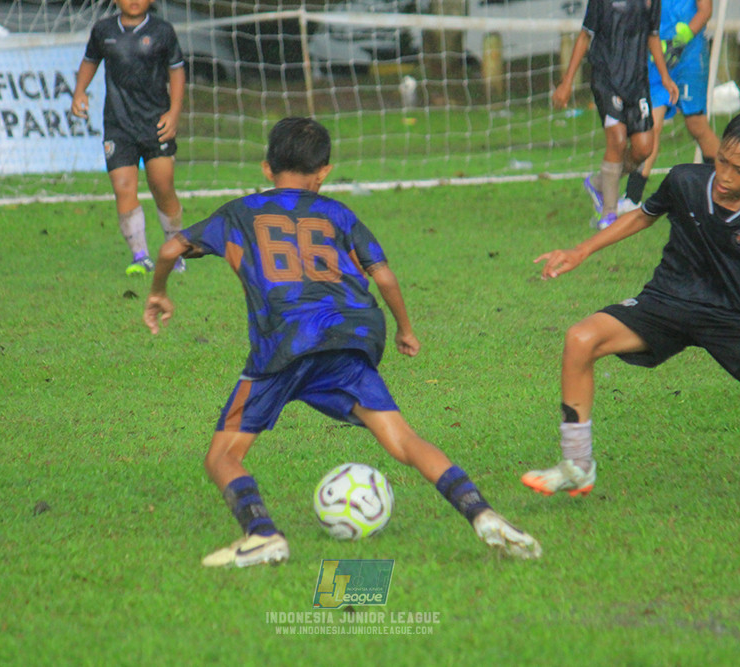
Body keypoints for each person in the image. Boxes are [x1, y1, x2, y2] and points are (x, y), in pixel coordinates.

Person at [143, 117, 542, 567]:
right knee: (403, 441)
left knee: (223, 456)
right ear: (324, 171)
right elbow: (383, 275)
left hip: (284, 345)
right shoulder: (338, 214)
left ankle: (262, 534)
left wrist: (158, 292)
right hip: (348, 335)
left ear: (266, 167)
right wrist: (406, 330)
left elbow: (170, 249)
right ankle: (480, 511)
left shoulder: (239, 213)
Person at [524, 110, 740, 497]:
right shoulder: (684, 180)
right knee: (581, 338)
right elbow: (643, 217)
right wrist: (581, 250)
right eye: (722, 162)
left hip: (733, 319)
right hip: (667, 301)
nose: (726, 177)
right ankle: (577, 465)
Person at [71, 0, 186, 276]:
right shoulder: (103, 30)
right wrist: (80, 91)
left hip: (155, 123)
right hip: (118, 125)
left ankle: (175, 249)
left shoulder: (162, 31)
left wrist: (174, 112)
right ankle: (140, 256)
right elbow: (90, 61)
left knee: (162, 185)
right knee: (123, 186)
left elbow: (177, 70)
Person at [552, 0, 680, 230]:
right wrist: (567, 81)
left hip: (636, 81)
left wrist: (665, 77)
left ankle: (598, 183)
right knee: (617, 139)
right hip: (606, 77)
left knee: (643, 148)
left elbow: (652, 36)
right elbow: (584, 35)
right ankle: (608, 215)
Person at [621, 0, 721, 213]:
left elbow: (705, 11)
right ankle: (632, 198)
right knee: (651, 126)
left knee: (696, 125)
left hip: (689, 56)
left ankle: (726, 184)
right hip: (657, 55)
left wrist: (681, 41)